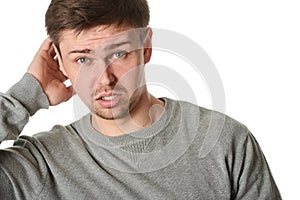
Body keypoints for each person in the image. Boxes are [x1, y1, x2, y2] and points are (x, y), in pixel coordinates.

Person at [0, 0, 281, 199]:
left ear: (145, 47)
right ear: (59, 62)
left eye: (118, 54)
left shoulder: (225, 142)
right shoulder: (39, 166)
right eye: (83, 59)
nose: (105, 79)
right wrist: (24, 97)